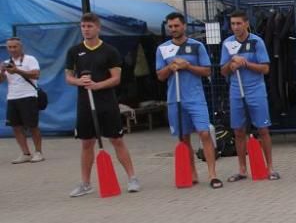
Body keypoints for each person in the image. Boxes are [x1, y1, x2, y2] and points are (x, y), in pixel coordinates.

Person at [64, 13, 140, 197]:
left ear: (98, 28)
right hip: (84, 102)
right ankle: (85, 183)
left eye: (89, 26)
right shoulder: (74, 51)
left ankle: (132, 178)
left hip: (106, 101)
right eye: (83, 26)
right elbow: (68, 78)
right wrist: (79, 81)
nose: (86, 29)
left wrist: (97, 85)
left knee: (116, 140)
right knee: (86, 142)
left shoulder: (110, 51)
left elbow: (116, 79)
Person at [155, 12, 221, 188]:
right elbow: (160, 76)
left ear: (184, 26)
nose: (173, 29)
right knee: (184, 138)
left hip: (195, 98)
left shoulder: (197, 46)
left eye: (176, 26)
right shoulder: (162, 49)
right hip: (174, 99)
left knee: (204, 133)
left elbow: (207, 71)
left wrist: (187, 66)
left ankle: (212, 174)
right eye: (170, 26)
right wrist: (170, 67)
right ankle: (192, 174)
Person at [220, 10, 280, 181]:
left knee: (263, 129)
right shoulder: (227, 44)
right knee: (238, 131)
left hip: (256, 91)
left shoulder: (257, 42)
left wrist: (245, 63)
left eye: (239, 23)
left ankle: (270, 168)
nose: (236, 27)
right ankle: (242, 169)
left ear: (246, 23)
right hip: (236, 91)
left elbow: (265, 68)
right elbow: (222, 71)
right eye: (233, 24)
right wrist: (231, 64)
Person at [1, 37, 44, 163]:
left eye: (15, 47)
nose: (12, 49)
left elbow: (36, 74)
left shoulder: (30, 59)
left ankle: (38, 152)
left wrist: (17, 71)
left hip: (28, 96)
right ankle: (25, 153)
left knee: (33, 126)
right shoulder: (6, 62)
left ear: (21, 47)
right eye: (10, 47)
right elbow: (1, 80)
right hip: (12, 97)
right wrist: (2, 72)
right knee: (15, 126)